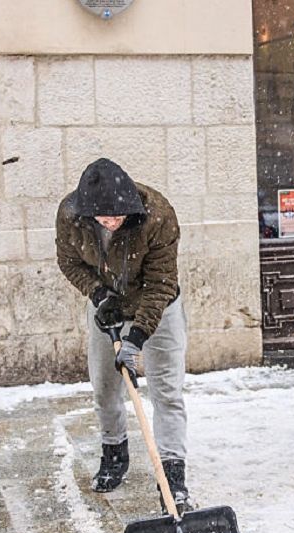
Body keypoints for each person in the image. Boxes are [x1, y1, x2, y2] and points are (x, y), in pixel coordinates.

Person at [55, 158, 193, 515]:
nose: (112, 223)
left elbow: (162, 282)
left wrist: (136, 338)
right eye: (104, 219)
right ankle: (115, 452)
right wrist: (99, 296)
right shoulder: (71, 215)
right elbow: (69, 261)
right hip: (108, 306)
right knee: (104, 385)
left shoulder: (157, 215)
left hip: (158, 307)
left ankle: (172, 476)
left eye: (118, 217)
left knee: (166, 390)